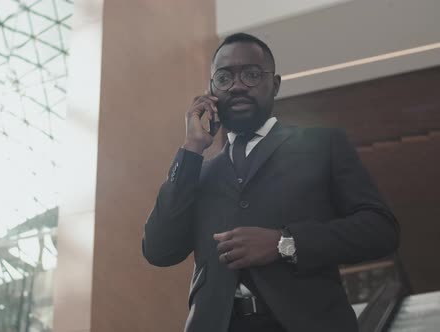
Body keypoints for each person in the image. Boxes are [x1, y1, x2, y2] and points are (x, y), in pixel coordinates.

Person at [142, 33, 400, 332]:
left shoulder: (323, 145)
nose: (237, 86)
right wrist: (191, 149)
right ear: (211, 91)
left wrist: (284, 243)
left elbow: (380, 230)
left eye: (251, 75)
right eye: (224, 78)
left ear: (275, 85)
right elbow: (159, 251)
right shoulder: (198, 172)